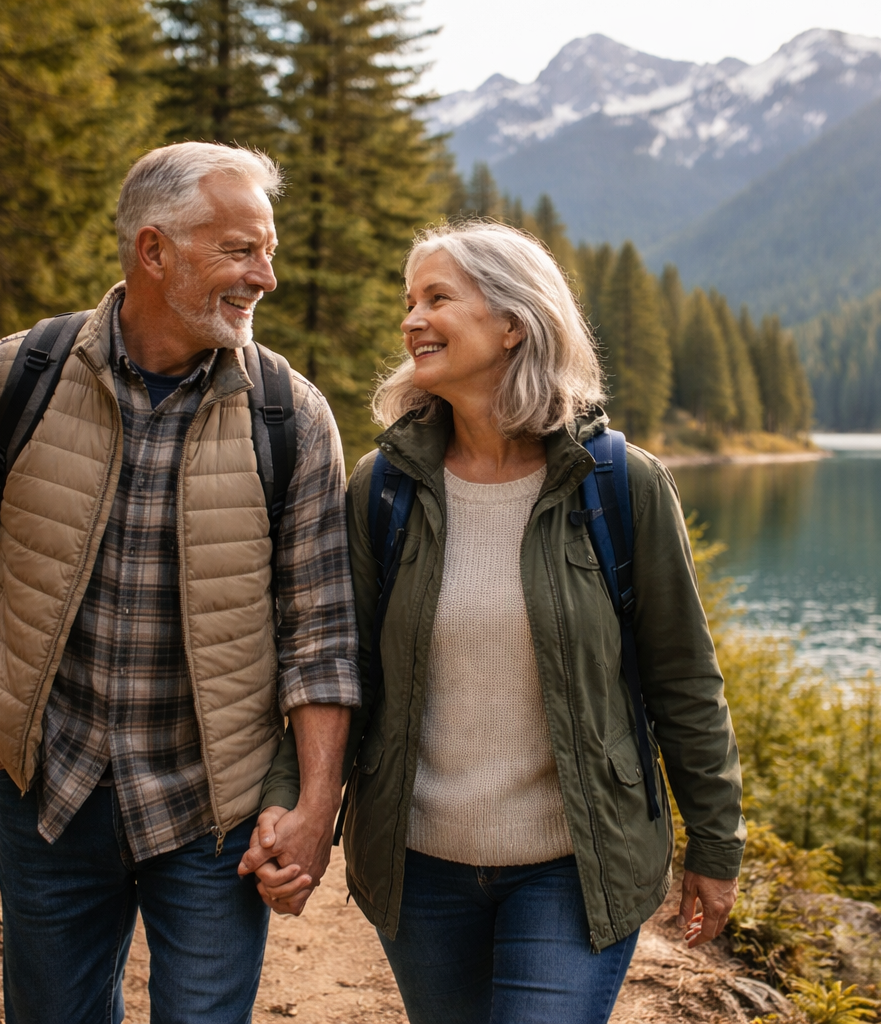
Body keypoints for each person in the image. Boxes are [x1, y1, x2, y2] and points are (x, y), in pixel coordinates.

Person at [0, 142, 359, 1024]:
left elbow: (322, 630)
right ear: (154, 251)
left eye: (271, 250)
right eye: (241, 251)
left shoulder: (290, 416)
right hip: (48, 792)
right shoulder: (13, 376)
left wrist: (317, 803)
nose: (267, 276)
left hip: (214, 808)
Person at [247, 220, 746, 1024]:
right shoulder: (385, 487)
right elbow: (338, 666)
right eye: (409, 300)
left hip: (574, 866)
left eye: (438, 298)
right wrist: (294, 803)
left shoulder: (619, 484)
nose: (412, 319)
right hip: (420, 866)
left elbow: (685, 680)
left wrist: (717, 845)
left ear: (514, 322)